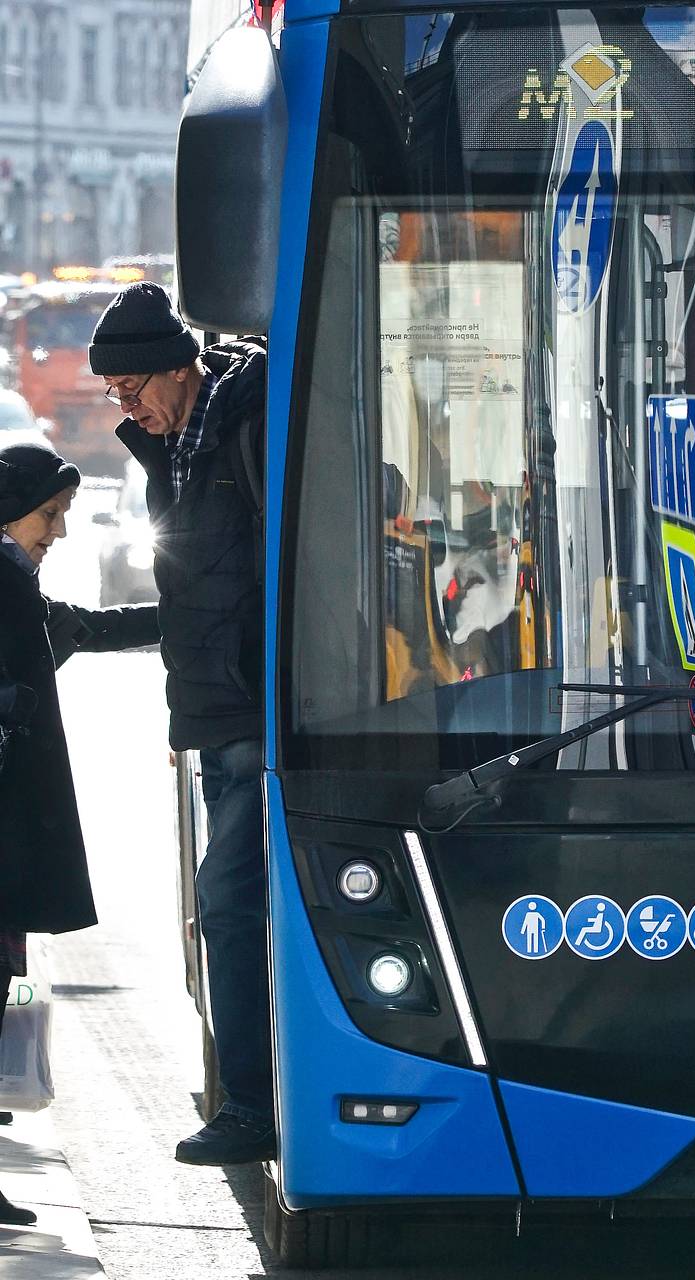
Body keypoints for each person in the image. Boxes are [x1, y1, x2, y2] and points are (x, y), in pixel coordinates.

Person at [88, 283, 273, 1166]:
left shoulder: (250, 421)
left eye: (132, 391)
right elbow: (195, 591)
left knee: (231, 906)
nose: (127, 410)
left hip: (262, 716)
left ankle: (253, 1107)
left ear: (176, 368)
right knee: (231, 911)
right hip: (216, 715)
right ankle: (255, 1093)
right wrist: (95, 634)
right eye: (116, 399)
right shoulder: (179, 443)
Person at [0, 442, 160, 1225]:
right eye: (49, 515)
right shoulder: (1, 581)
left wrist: (180, 618)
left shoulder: (13, 584)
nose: (59, 531)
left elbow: (82, 629)